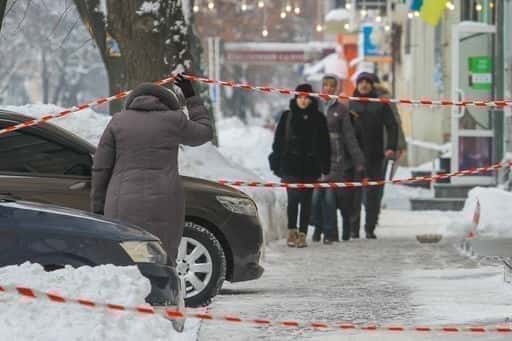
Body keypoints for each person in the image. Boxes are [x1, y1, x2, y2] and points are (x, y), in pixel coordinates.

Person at [91, 74, 213, 266]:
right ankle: (162, 293)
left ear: (132, 100)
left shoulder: (118, 121)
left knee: (124, 259)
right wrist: (191, 96)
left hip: (121, 200)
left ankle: (129, 293)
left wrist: (98, 207)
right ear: (167, 101)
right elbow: (204, 132)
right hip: (165, 202)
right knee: (161, 257)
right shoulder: (175, 120)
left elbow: (101, 167)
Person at [269, 83, 330, 248]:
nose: (303, 101)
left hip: (311, 166)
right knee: (293, 199)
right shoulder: (287, 116)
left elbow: (325, 144)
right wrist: (276, 162)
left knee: (306, 201)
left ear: (311, 99)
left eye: (306, 97)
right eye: (300, 97)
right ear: (295, 98)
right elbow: (278, 142)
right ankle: (291, 232)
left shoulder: (319, 118)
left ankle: (302, 234)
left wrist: (325, 166)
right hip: (291, 165)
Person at [311, 74, 365, 244]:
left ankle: (330, 233)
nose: (328, 88)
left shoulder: (341, 109)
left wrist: (358, 160)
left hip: (336, 159)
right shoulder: (315, 106)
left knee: (330, 198)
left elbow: (349, 137)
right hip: (316, 159)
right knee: (315, 199)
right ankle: (318, 228)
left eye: (331, 85)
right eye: (325, 85)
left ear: (336, 89)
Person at [349, 72, 397, 239]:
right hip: (354, 157)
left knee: (373, 194)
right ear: (356, 85)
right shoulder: (350, 104)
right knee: (354, 193)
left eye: (367, 82)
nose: (364, 85)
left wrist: (391, 147)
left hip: (375, 155)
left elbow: (392, 125)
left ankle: (370, 228)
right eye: (360, 82)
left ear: (371, 85)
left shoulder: (380, 104)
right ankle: (353, 229)